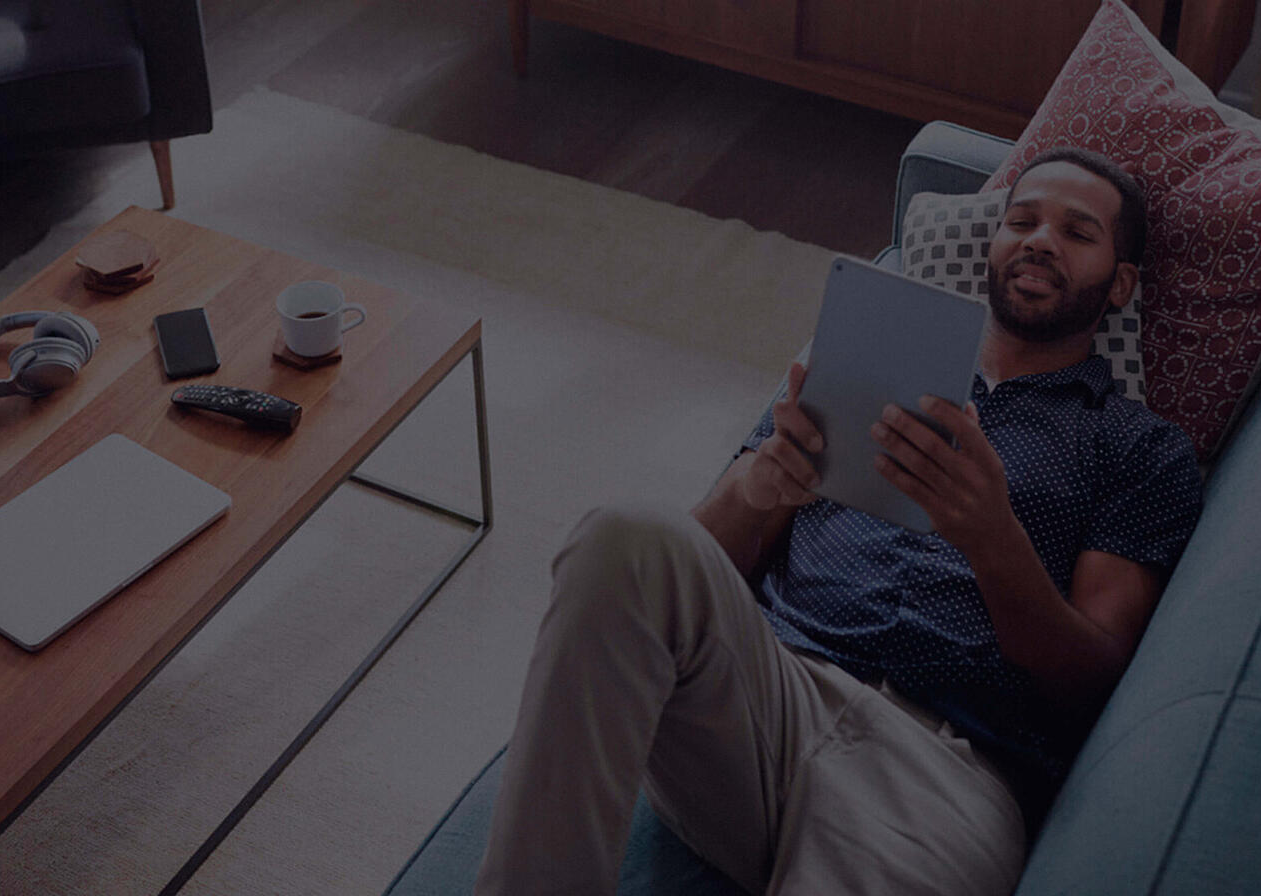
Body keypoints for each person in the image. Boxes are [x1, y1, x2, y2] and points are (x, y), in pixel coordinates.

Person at [474, 147, 1205, 896]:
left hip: (942, 774)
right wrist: (762, 487)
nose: (1040, 240)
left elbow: (1091, 681)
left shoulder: (1138, 448)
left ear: (1120, 283)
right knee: (622, 535)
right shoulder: (866, 357)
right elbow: (693, 570)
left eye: (1076, 232)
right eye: (1022, 221)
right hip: (766, 694)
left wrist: (995, 541)